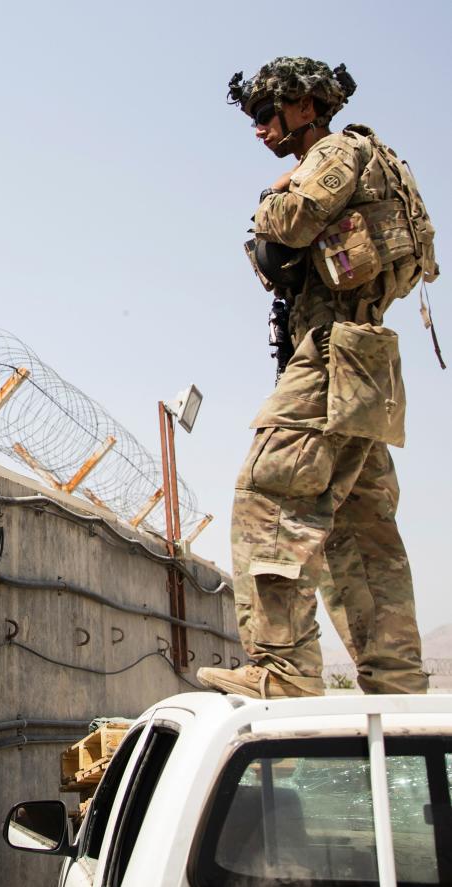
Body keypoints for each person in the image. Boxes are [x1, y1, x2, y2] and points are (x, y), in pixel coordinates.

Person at [196, 57, 438, 699]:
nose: (259, 129)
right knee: (362, 535)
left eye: (265, 114)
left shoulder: (334, 152)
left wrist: (271, 198)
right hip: (369, 366)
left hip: (334, 354)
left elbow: (294, 221)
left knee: (270, 494)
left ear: (305, 106)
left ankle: (282, 669)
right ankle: (396, 681)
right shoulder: (370, 155)